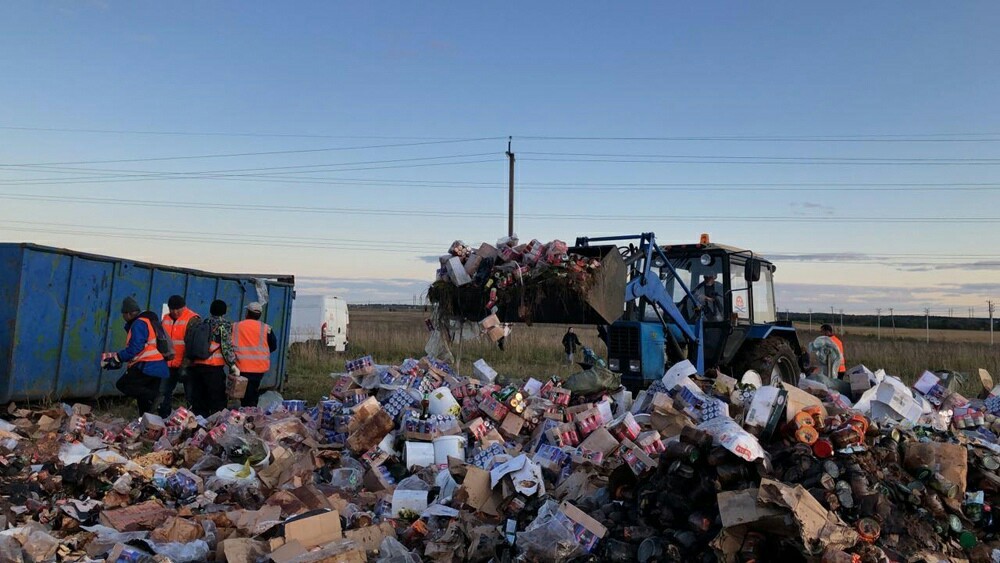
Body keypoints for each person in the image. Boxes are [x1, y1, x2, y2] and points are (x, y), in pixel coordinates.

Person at [105, 297, 169, 417]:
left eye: (123, 314)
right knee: (144, 401)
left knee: (124, 385)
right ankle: (148, 423)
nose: (123, 318)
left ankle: (156, 397)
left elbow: (135, 347)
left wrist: (118, 358)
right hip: (158, 366)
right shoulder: (149, 321)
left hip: (147, 365)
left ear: (128, 313)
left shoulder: (139, 323)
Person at [188, 299, 239, 417]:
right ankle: (215, 429)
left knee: (200, 400)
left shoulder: (203, 323)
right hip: (213, 368)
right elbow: (226, 346)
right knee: (217, 401)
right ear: (224, 312)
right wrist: (232, 365)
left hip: (198, 366)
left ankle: (199, 428)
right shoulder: (223, 325)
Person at [158, 295, 199, 417]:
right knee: (163, 393)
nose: (175, 312)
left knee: (191, 395)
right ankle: (163, 418)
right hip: (168, 364)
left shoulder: (192, 319)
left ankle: (193, 420)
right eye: (172, 309)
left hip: (187, 366)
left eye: (178, 309)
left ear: (184, 307)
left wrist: (185, 365)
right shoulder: (165, 319)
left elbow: (193, 345)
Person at [232, 301, 278, 408]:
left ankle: (247, 413)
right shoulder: (266, 328)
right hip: (259, 367)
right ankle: (251, 411)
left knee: (244, 393)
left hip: (242, 366)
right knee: (253, 392)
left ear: (247, 313)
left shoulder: (236, 326)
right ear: (260, 315)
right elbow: (273, 345)